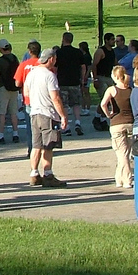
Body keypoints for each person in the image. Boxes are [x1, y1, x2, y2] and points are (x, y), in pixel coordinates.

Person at [25, 47, 69, 187]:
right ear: (50, 59)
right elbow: (55, 97)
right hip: (47, 113)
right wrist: (62, 115)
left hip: (34, 112)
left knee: (36, 145)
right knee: (48, 146)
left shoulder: (32, 73)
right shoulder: (49, 76)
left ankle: (34, 173)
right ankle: (48, 174)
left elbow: (26, 92)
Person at [100, 66, 135, 188]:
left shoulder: (112, 90)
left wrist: (108, 114)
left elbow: (103, 104)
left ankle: (127, 179)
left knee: (122, 154)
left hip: (116, 123)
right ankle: (119, 178)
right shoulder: (131, 90)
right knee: (126, 153)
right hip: (130, 122)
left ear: (115, 76)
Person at [14, 40, 42, 158]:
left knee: (30, 126)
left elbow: (17, 83)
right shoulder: (43, 64)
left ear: (29, 52)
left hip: (29, 99)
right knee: (43, 125)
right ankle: (43, 147)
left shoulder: (24, 65)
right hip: (42, 98)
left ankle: (32, 149)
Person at [55, 32, 86, 136]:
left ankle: (66, 126)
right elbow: (83, 67)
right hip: (75, 81)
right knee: (76, 103)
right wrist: (82, 79)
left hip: (62, 81)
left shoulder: (59, 53)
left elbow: (55, 68)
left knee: (64, 105)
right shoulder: (77, 52)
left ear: (63, 39)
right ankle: (77, 122)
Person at [0, 39, 20, 144]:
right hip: (14, 88)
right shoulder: (15, 58)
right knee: (13, 112)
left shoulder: (0, 61)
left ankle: (0, 135)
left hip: (3, 88)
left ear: (1, 49)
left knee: (1, 113)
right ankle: (15, 134)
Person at [91, 33, 116, 131]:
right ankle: (98, 118)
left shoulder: (112, 51)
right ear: (106, 40)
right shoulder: (101, 51)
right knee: (104, 99)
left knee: (110, 100)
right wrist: (95, 79)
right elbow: (94, 65)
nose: (114, 41)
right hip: (101, 77)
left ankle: (101, 118)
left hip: (109, 77)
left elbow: (115, 63)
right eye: (112, 40)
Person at [78, 41, 93, 115]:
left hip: (86, 76)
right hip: (82, 76)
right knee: (82, 93)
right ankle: (83, 107)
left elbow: (89, 67)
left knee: (86, 92)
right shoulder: (82, 56)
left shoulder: (87, 56)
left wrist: (86, 75)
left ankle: (87, 108)